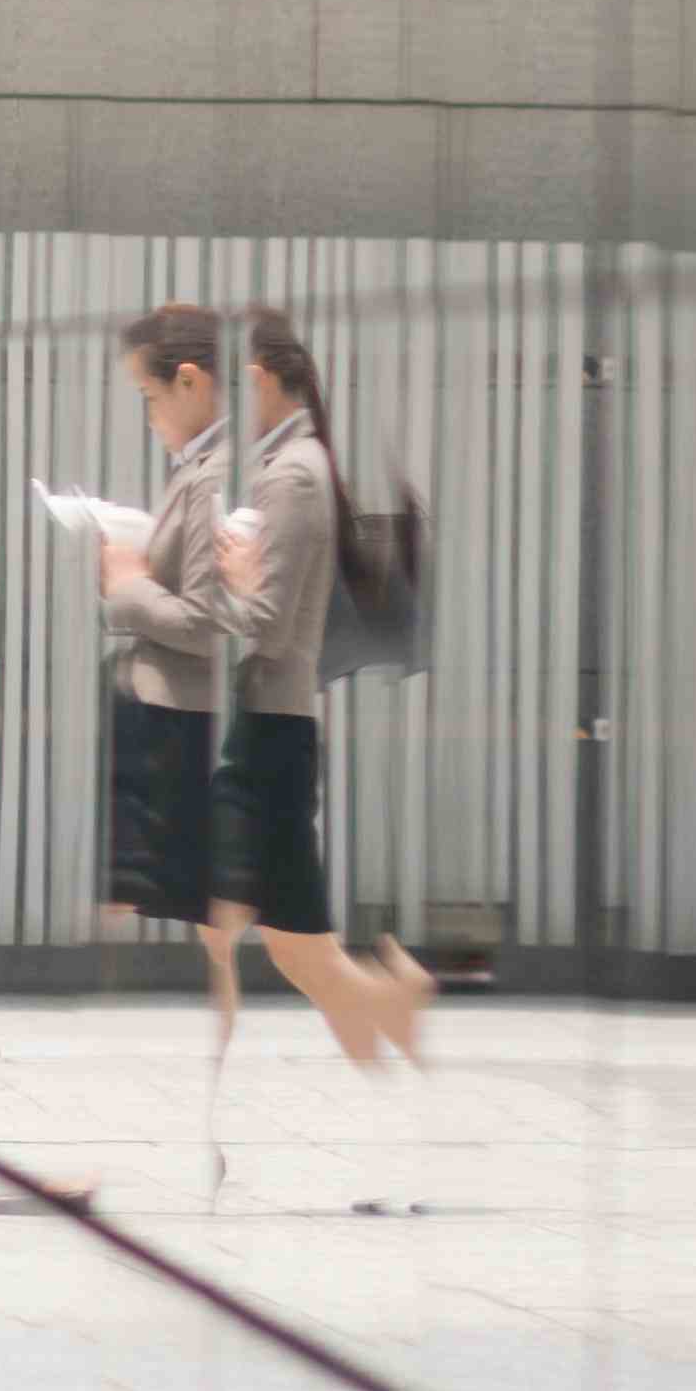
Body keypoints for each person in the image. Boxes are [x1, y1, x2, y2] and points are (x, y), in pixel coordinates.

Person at [107, 308, 426, 1071]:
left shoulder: (289, 475)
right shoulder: (285, 467)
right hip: (263, 731)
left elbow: (259, 625)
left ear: (251, 380)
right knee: (269, 942)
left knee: (255, 938)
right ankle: (386, 1032)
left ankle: (389, 1020)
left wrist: (128, 591)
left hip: (265, 738)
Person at [93, 305, 232, 1010]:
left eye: (148, 399)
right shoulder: (200, 468)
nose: (146, 416)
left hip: (189, 724)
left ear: (187, 381)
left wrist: (128, 584)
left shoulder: (216, 479)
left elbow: (207, 624)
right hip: (172, 719)